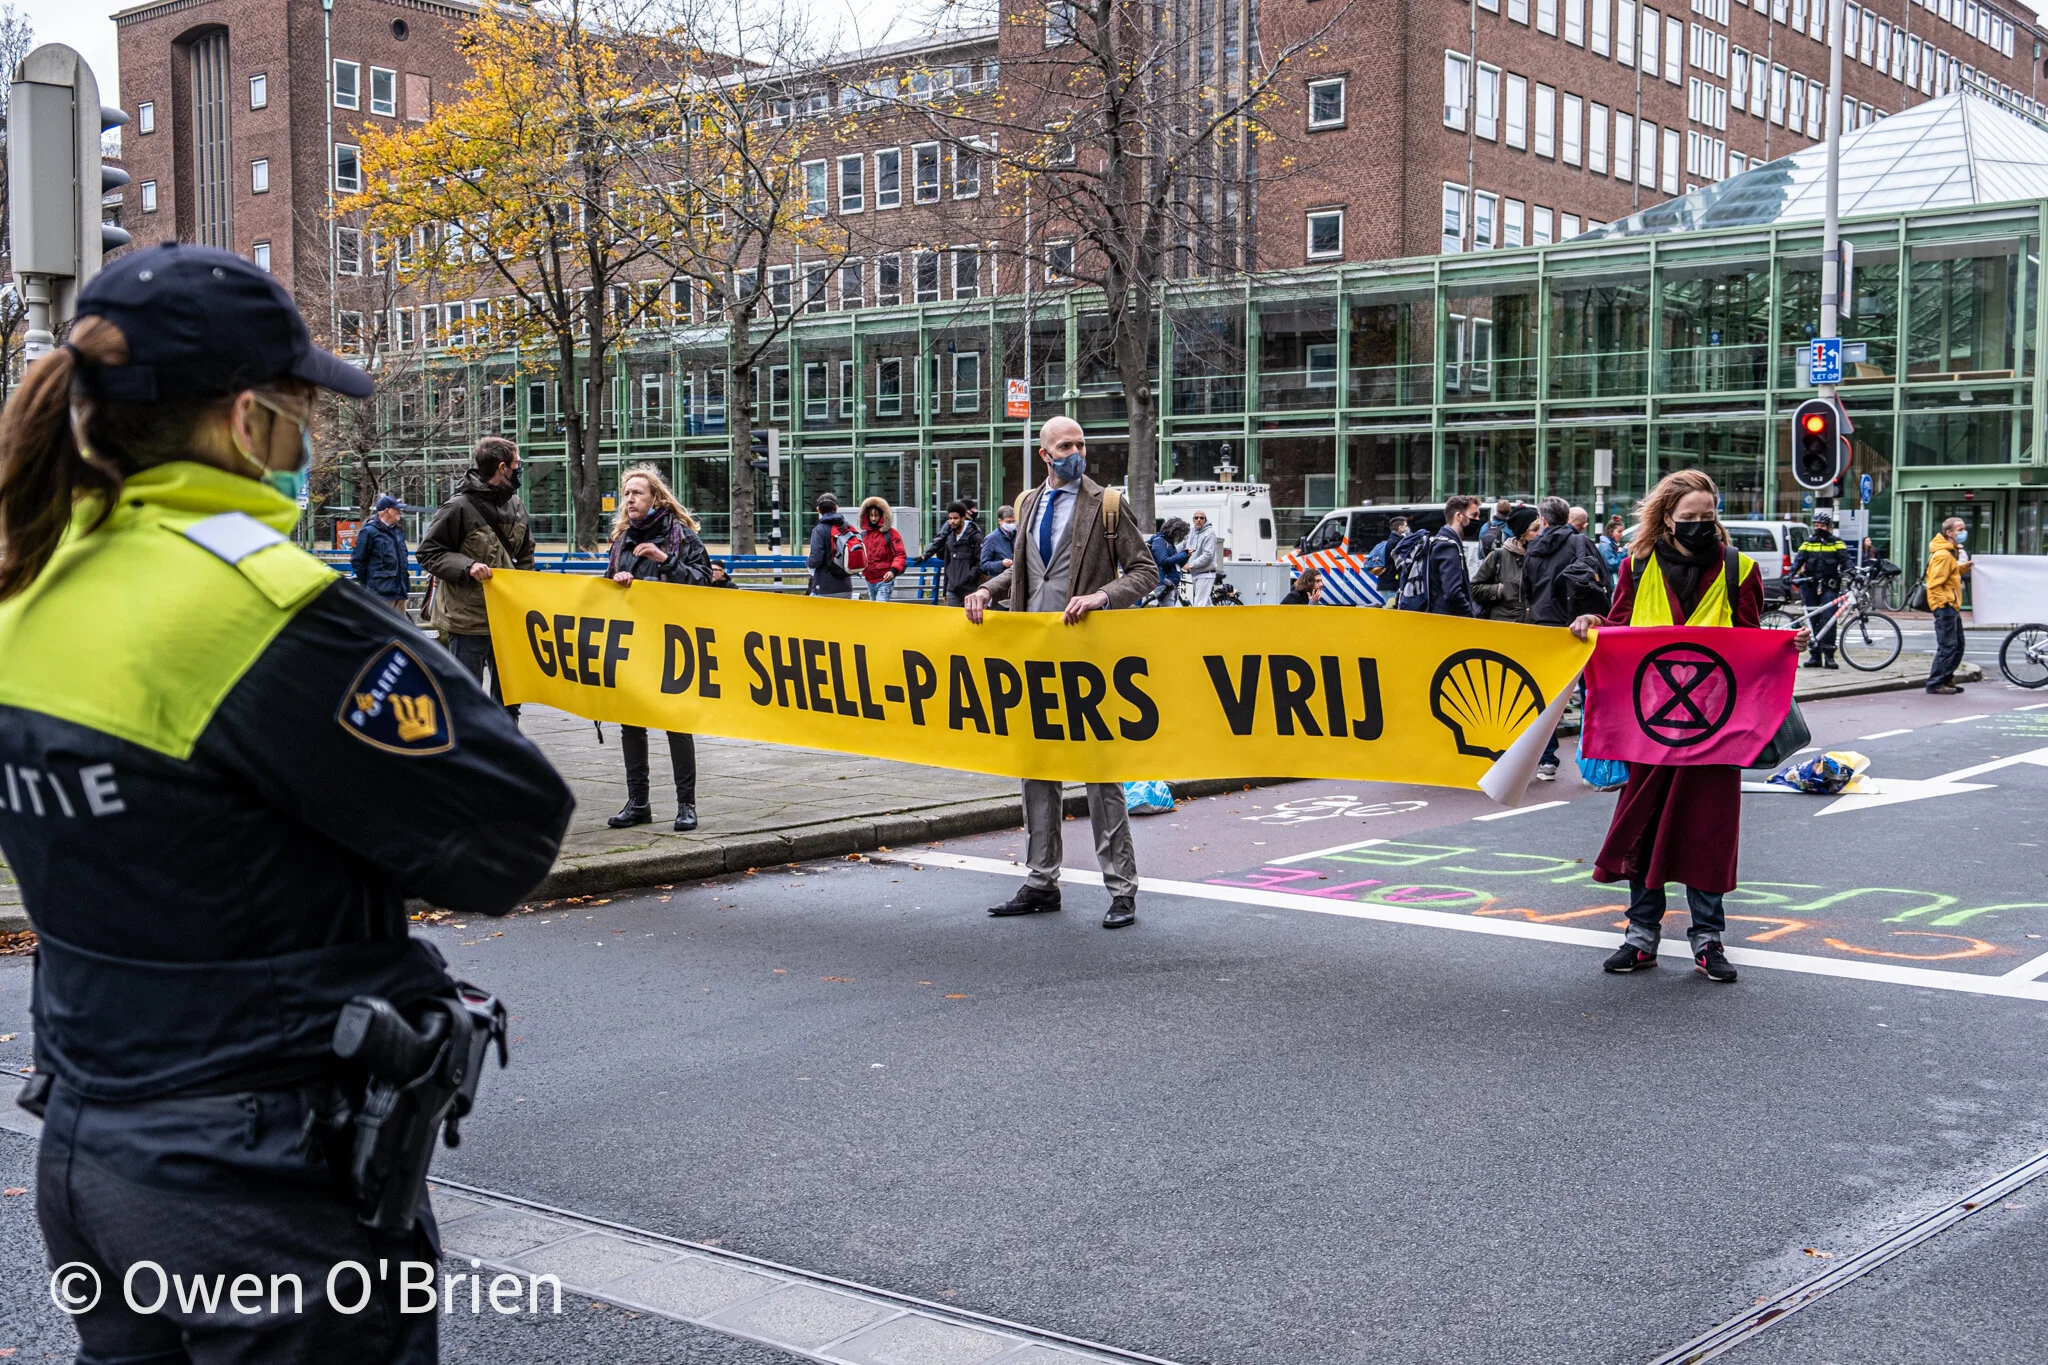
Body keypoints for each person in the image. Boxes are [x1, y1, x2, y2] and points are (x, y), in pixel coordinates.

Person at [0, 244, 573, 1362]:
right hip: (255, 1172)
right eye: (304, 403)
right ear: (246, 419)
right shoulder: (259, 608)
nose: (314, 431)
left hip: (91, 1139)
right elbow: (506, 833)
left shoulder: (32, 580)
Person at [1569, 470, 1809, 984]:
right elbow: (1620, 624)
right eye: (1689, 518)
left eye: (1708, 517)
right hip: (1651, 727)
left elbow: (1748, 641)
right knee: (1643, 829)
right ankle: (1641, 938)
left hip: (1713, 729)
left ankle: (1708, 939)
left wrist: (1783, 646)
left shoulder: (1739, 569)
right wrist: (1592, 624)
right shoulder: (1637, 564)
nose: (1700, 525)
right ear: (1667, 519)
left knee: (1708, 832)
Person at [965, 416, 1158, 929]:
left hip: (1089, 662)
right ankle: (1040, 881)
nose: (1077, 451)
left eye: (1081, 442)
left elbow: (1145, 571)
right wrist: (989, 590)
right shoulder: (1028, 503)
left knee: (1100, 775)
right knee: (1036, 772)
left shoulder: (1108, 504)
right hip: (1033, 657)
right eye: (1065, 445)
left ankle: (1121, 889)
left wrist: (1102, 596)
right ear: (1044, 454)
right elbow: (1026, 569)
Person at [605, 464, 712, 831]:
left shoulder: (680, 536)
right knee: (631, 725)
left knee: (675, 723)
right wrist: (617, 582)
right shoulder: (622, 540)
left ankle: (686, 805)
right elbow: (607, 590)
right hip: (633, 643)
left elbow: (703, 582)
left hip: (671, 643)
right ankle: (638, 803)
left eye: (637, 493)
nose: (630, 499)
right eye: (626, 494)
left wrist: (665, 561)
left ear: (655, 498)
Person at [419, 435, 535, 719]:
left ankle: (507, 758)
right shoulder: (458, 508)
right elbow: (429, 553)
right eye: (517, 464)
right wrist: (467, 566)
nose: (520, 468)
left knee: (509, 700)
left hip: (507, 619)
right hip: (468, 622)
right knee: (466, 700)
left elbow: (526, 553)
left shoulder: (516, 505)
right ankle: (468, 757)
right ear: (502, 467)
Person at [1401, 494, 1483, 616]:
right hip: (1447, 620)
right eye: (1474, 515)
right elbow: (1452, 593)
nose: (1478, 520)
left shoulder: (1440, 540)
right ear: (1459, 516)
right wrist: (1469, 615)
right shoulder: (1448, 546)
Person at [1791, 512, 1848, 669]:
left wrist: (1852, 573)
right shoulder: (1808, 543)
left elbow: (1846, 562)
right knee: (1813, 621)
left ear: (1829, 527)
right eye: (1816, 525)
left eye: (1821, 526)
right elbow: (1798, 560)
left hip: (1829, 586)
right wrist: (1790, 574)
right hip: (1810, 586)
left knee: (1829, 620)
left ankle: (1829, 656)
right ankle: (1814, 656)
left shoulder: (1837, 543)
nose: (1818, 528)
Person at [1925, 516, 1973, 694]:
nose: (1963, 532)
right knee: (1949, 645)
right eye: (1960, 529)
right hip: (1945, 605)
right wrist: (1945, 603)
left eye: (1964, 528)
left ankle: (1946, 678)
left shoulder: (1949, 553)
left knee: (1958, 644)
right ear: (1949, 533)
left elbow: (1950, 573)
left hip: (1950, 604)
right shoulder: (1943, 555)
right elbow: (1934, 583)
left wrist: (1964, 568)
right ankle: (1936, 683)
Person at [1471, 505, 1541, 621]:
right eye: (1534, 530)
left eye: (1540, 529)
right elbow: (1474, 588)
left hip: (1533, 627)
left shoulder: (1540, 557)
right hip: (1505, 625)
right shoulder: (1498, 556)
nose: (1539, 534)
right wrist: (1497, 590)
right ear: (1522, 533)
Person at [351, 492, 411, 614]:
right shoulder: (370, 531)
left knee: (400, 631)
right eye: (397, 509)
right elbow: (358, 561)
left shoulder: (397, 531)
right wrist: (372, 585)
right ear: (387, 511)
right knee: (381, 631)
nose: (400, 512)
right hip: (380, 595)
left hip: (400, 592)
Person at [922, 500, 986, 607]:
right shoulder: (949, 538)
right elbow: (948, 564)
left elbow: (981, 562)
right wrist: (945, 589)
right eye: (950, 518)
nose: (952, 521)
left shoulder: (975, 537)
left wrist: (969, 577)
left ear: (963, 518)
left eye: (955, 518)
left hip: (970, 589)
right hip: (952, 590)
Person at [856, 496, 908, 601]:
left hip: (885, 579)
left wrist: (893, 571)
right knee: (875, 610)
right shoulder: (863, 535)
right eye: (871, 515)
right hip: (869, 579)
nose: (874, 518)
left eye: (876, 515)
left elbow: (900, 555)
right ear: (867, 516)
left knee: (879, 607)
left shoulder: (891, 534)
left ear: (882, 515)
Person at [806, 493, 855, 597]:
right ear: (836, 508)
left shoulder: (819, 530)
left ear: (818, 509)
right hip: (846, 587)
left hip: (824, 587)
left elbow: (815, 560)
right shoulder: (846, 527)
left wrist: (808, 561)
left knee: (810, 611)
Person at [1149, 517, 1190, 604]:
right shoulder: (1160, 541)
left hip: (1170, 585)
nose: (1180, 537)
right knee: (1168, 615)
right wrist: (1183, 554)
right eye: (1180, 534)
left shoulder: (1168, 543)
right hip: (1165, 585)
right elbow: (1164, 561)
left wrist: (1186, 556)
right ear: (1174, 531)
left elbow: (1176, 564)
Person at [1184, 509, 1220, 605]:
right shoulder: (1192, 532)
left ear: (1205, 520)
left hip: (1205, 574)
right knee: (1205, 604)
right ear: (1193, 520)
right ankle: (1219, 620)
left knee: (1199, 605)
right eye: (1196, 518)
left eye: (1201, 518)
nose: (1198, 520)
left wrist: (1190, 565)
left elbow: (1208, 555)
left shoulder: (1209, 533)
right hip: (1195, 574)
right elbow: (1183, 545)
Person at [980, 503, 1018, 581]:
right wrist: (1001, 564)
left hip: (1015, 579)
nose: (1012, 524)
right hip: (999, 581)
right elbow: (984, 565)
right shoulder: (991, 539)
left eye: (1013, 521)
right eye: (1008, 522)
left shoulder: (1017, 535)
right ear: (1000, 521)